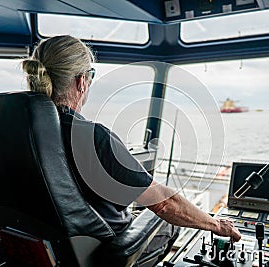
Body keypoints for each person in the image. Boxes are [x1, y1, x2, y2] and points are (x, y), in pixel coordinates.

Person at [22, 35, 241, 262]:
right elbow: (165, 205)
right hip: (98, 252)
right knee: (167, 224)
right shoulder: (91, 137)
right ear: (81, 82)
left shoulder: (18, 134)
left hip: (42, 248)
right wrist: (216, 224)